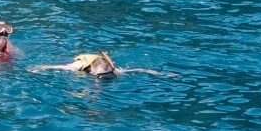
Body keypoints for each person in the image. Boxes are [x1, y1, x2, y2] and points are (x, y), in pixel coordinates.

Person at [30, 52, 175, 77]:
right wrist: (38, 68)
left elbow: (140, 70)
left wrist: (163, 74)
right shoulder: (77, 67)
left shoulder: (113, 71)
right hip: (85, 62)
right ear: (91, 72)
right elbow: (56, 67)